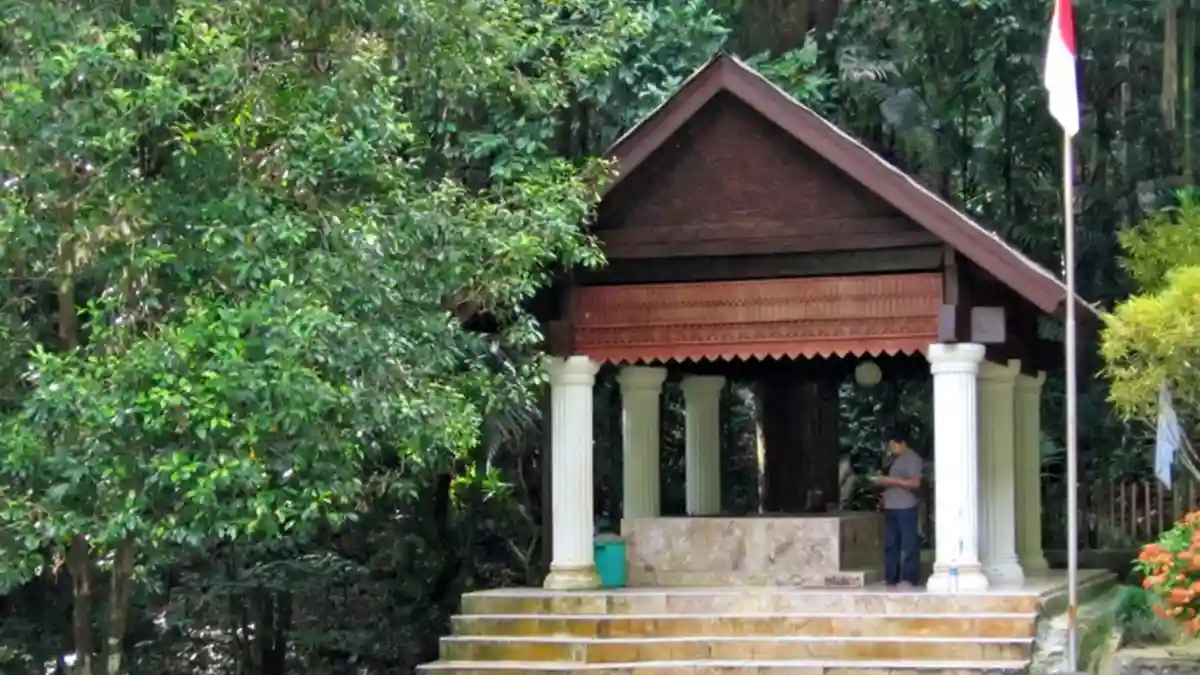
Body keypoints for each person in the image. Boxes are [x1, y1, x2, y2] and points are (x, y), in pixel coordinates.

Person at [871, 426, 923, 588]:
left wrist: (890, 481)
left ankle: (909, 578)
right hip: (892, 507)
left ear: (898, 443)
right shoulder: (896, 460)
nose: (890, 449)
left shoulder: (913, 459)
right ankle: (891, 577)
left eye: (891, 445)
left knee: (909, 544)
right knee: (890, 544)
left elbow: (915, 483)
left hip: (906, 507)